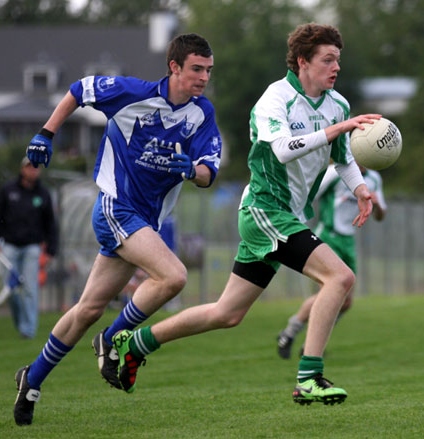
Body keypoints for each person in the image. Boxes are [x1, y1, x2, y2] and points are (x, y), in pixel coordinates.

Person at [108, 23, 382, 406]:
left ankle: (140, 342)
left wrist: (360, 188)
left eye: (338, 59)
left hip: (287, 217)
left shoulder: (337, 105)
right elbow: (285, 149)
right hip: (264, 210)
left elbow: (343, 157)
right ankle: (309, 377)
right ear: (303, 61)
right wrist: (339, 129)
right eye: (328, 59)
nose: (336, 67)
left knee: (227, 313)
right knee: (340, 277)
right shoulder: (276, 98)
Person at [13, 33, 222, 426]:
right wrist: (46, 133)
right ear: (174, 66)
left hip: (144, 223)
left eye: (208, 70)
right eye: (196, 68)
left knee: (88, 308)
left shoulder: (201, 113)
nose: (203, 77)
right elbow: (79, 89)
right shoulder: (131, 93)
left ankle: (32, 379)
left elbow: (210, 171)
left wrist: (190, 171)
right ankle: (112, 339)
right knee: (174, 276)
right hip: (116, 207)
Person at [277, 162, 387, 359]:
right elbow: (307, 196)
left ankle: (303, 340)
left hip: (348, 240)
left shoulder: (374, 178)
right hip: (328, 236)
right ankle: (293, 335)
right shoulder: (336, 171)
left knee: (346, 302)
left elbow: (380, 216)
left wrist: (377, 204)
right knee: (329, 293)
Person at [0, 157, 57, 339]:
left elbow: (50, 223)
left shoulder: (43, 194)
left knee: (29, 288)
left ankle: (28, 330)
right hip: (9, 246)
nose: (32, 170)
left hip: (32, 247)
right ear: (22, 169)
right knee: (10, 288)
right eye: (29, 167)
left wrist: (51, 249)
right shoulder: (8, 190)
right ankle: (21, 322)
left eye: (36, 168)